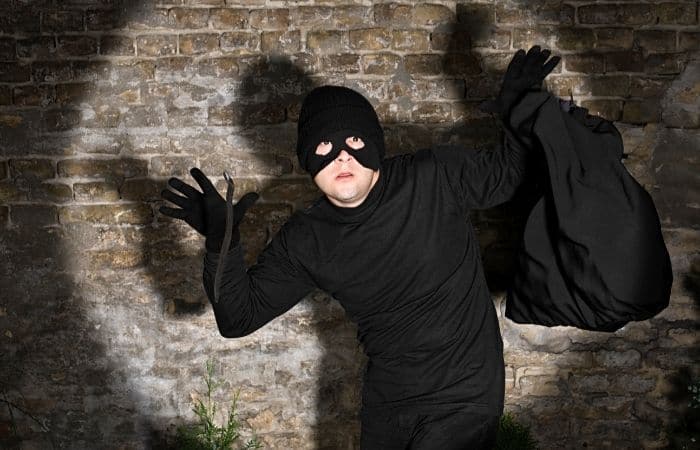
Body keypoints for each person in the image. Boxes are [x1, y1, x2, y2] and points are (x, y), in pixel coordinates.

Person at [160, 46, 560, 449]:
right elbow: (238, 318)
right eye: (325, 148)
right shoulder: (307, 238)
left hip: (464, 395)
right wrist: (220, 241)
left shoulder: (431, 177)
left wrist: (518, 110)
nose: (342, 156)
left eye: (353, 140)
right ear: (308, 161)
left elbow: (508, 177)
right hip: (389, 403)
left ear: (375, 145)